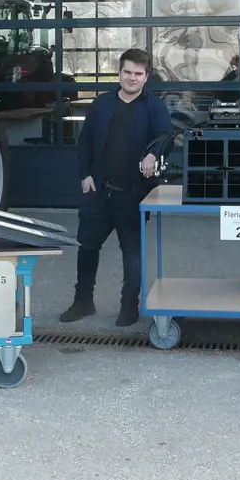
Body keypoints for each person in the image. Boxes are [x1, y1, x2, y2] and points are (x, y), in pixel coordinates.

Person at [61, 48, 173, 328]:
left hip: (134, 195)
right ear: (119, 73)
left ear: (146, 76)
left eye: (138, 73)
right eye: (127, 72)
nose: (131, 78)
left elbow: (166, 138)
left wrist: (153, 154)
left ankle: (128, 307)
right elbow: (85, 141)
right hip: (98, 192)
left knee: (132, 253)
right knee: (87, 248)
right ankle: (82, 302)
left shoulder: (154, 107)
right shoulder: (102, 104)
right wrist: (84, 175)